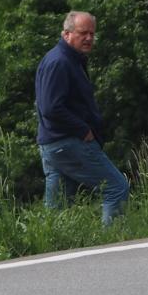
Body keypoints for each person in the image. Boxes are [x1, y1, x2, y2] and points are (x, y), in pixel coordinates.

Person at [35, 11, 130, 225]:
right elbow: (51, 108)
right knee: (116, 188)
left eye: (92, 34)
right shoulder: (59, 62)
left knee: (57, 209)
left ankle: (50, 243)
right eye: (82, 33)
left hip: (54, 144)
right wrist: (83, 130)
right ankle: (113, 241)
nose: (88, 38)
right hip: (68, 142)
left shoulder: (69, 59)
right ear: (67, 34)